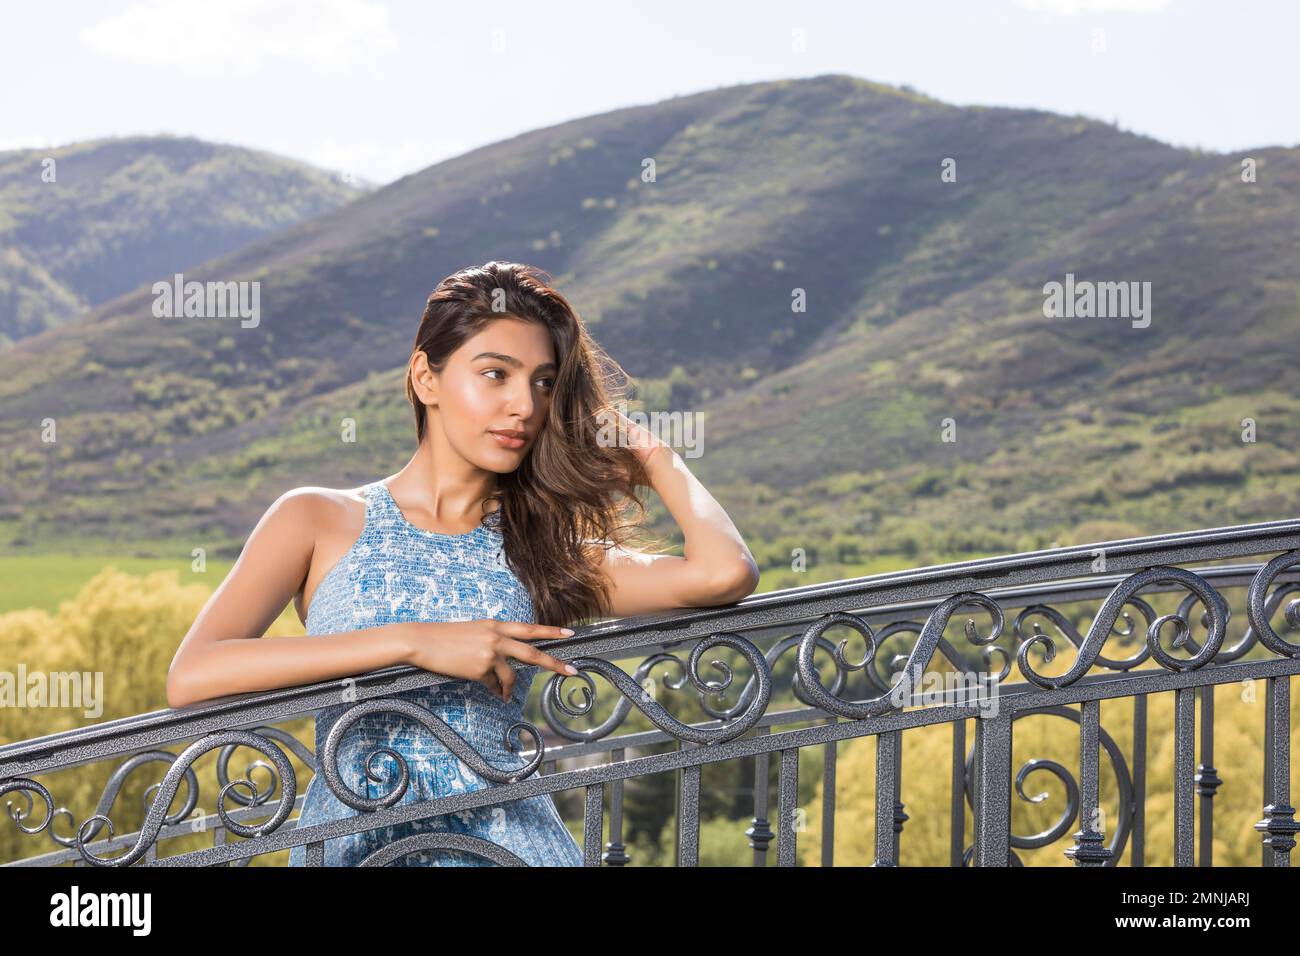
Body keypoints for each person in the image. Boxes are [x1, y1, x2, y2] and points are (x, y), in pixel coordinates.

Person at [166, 260, 761, 866]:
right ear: (427, 377)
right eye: (495, 374)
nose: (523, 406)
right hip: (356, 852)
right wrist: (413, 642)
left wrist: (652, 452)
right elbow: (194, 674)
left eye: (543, 383)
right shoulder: (315, 519)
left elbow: (723, 573)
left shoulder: (544, 550)